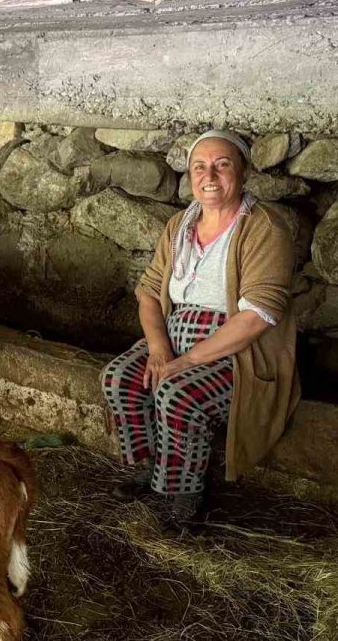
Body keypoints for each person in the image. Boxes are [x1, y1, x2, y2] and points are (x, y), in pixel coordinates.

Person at [100, 130, 300, 522]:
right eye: (200, 167)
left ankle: (182, 497)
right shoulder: (180, 225)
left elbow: (258, 315)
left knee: (177, 393)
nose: (210, 175)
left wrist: (186, 361)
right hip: (175, 336)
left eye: (222, 165)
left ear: (243, 173)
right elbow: (149, 293)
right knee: (119, 378)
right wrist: (160, 351)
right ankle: (148, 466)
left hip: (236, 350)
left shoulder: (264, 228)